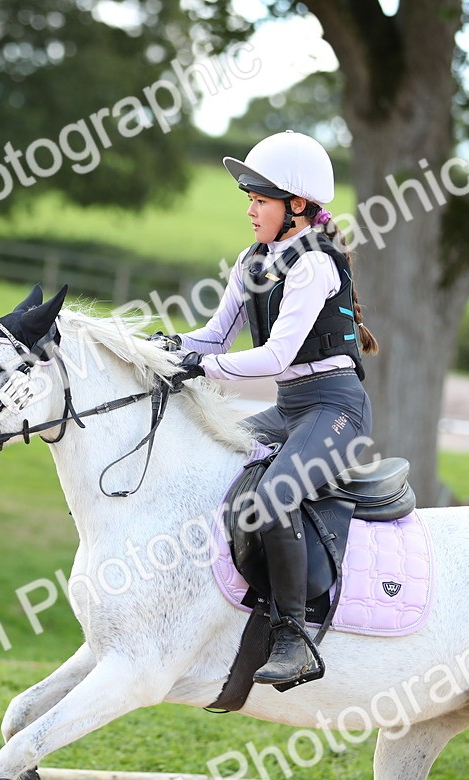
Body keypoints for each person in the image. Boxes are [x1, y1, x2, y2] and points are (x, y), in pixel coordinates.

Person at [160, 131, 379, 686]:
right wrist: (165, 349)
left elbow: (276, 354)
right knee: (203, 454)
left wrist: (203, 369)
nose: (251, 210)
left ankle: (296, 634)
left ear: (296, 207)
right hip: (289, 408)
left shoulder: (314, 266)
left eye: (261, 200)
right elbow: (213, 338)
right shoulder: (252, 261)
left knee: (275, 495)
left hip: (335, 411)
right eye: (250, 199)